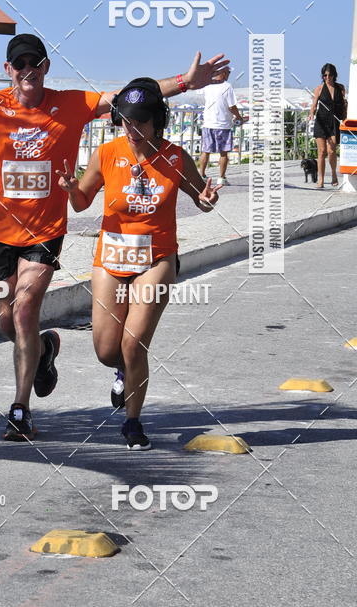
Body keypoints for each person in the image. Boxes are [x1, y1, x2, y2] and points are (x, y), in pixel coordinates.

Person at [0, 34, 228, 442]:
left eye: (34, 63)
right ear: (8, 71)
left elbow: (130, 97)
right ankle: (43, 351)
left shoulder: (70, 104)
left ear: (46, 67)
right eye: (19, 65)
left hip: (44, 234)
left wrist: (185, 82)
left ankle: (20, 411)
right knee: (7, 321)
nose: (27, 71)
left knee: (23, 313)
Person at [56, 78, 221, 450]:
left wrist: (208, 198)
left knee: (133, 345)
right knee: (106, 350)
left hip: (156, 258)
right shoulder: (107, 153)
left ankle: (133, 422)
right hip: (111, 256)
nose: (132, 128)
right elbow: (82, 202)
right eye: (126, 121)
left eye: (141, 121)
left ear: (157, 121)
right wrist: (71, 189)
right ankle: (122, 373)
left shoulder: (176, 157)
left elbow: (202, 199)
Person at [198, 66, 246, 185]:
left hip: (208, 123)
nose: (229, 74)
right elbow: (232, 106)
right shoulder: (227, 86)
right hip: (223, 125)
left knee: (205, 151)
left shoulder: (207, 85)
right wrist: (239, 117)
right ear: (223, 73)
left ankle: (201, 176)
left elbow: (199, 93)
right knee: (223, 153)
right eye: (228, 72)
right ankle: (221, 178)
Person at [308, 63, 347, 188]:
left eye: (330, 75)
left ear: (334, 75)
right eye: (325, 75)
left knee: (331, 151)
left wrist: (345, 118)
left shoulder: (340, 88)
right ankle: (321, 179)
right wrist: (311, 114)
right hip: (321, 122)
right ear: (323, 75)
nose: (327, 77)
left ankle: (334, 175)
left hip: (334, 122)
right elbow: (314, 105)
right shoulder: (319, 89)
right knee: (322, 152)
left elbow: (343, 105)